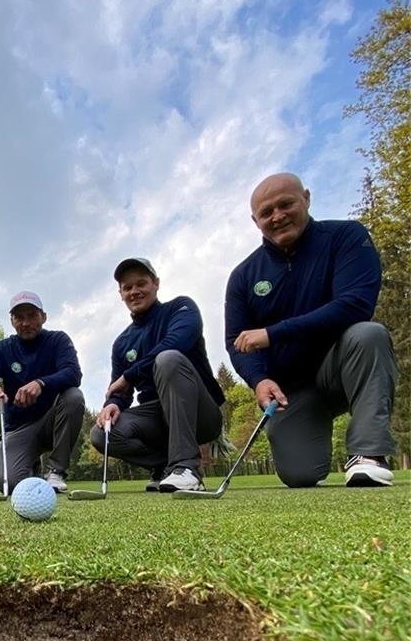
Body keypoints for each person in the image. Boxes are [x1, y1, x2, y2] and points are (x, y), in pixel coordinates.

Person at [225, 172, 396, 488]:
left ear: (305, 198)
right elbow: (237, 343)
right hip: (292, 392)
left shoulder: (345, 237)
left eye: (286, 204)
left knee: (368, 334)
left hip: (342, 365)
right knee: (299, 474)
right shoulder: (244, 276)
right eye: (266, 212)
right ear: (255, 220)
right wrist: (259, 380)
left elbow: (354, 305)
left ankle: (368, 454)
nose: (277, 216)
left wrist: (273, 333)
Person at [92, 258, 224, 492]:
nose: (134, 291)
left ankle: (187, 467)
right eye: (127, 287)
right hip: (157, 418)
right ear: (120, 294)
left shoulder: (181, 308)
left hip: (200, 414)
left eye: (141, 284)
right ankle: (166, 466)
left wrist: (129, 375)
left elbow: (177, 342)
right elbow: (119, 391)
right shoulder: (122, 343)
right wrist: (112, 404)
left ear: (156, 283)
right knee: (102, 434)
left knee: (167, 359)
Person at [0, 291, 84, 494]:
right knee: (9, 484)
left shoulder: (58, 340)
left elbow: (73, 373)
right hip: (18, 428)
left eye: (32, 315)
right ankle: (28, 463)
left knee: (73, 397)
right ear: (11, 320)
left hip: (53, 421)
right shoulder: (2, 348)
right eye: (19, 317)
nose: (25, 322)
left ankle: (56, 471)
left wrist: (41, 383)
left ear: (44, 317)